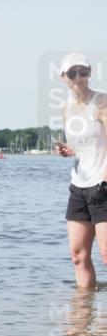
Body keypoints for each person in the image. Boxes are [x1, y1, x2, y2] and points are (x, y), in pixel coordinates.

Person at [55, 52, 107, 288]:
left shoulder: (102, 102)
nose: (78, 77)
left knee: (106, 254)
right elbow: (82, 145)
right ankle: (83, 311)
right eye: (72, 72)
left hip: (103, 185)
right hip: (79, 186)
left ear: (90, 74)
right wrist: (69, 150)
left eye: (83, 71)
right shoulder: (66, 107)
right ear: (63, 77)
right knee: (78, 256)